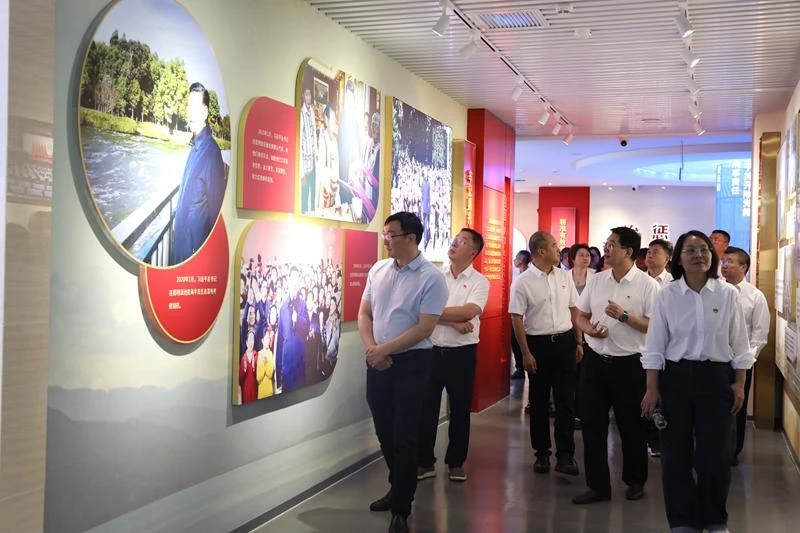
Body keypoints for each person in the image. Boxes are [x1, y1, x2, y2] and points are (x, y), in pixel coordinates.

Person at [641, 230, 753, 533]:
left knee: (716, 456)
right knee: (675, 455)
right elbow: (655, 344)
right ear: (679, 258)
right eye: (690, 250)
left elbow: (739, 342)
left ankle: (715, 519)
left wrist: (739, 383)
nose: (698, 255)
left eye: (703, 249)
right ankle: (682, 520)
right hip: (675, 379)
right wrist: (652, 388)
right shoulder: (667, 295)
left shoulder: (727, 293)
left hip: (716, 378)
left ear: (712, 255)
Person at [358, 211, 448, 533]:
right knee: (384, 431)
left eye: (391, 235)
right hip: (378, 362)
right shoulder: (378, 270)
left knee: (405, 437)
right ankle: (397, 486)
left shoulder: (431, 278)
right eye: (385, 234)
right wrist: (373, 349)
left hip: (412, 363)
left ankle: (401, 507)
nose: (386, 240)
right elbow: (365, 313)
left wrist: (384, 350)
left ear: (411, 238)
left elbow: (425, 328)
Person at [573, 227, 659, 504]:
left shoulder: (648, 285)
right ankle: (597, 486)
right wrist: (589, 330)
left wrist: (624, 317)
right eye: (606, 243)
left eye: (612, 245)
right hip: (596, 363)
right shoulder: (597, 280)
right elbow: (580, 315)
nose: (606, 249)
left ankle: (635, 481)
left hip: (630, 366)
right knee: (592, 426)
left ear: (628, 251)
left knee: (632, 427)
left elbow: (654, 326)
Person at [417, 228, 489, 483]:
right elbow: (421, 309)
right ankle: (424, 461)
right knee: (426, 409)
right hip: (432, 350)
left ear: (474, 251)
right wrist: (453, 322)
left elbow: (469, 311)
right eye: (455, 239)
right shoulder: (437, 276)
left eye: (462, 241)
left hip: (462, 354)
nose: (454, 243)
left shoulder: (480, 281)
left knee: (460, 410)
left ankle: (456, 462)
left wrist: (440, 316)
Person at [509, 231, 582, 477]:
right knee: (539, 402)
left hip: (565, 343)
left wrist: (579, 340)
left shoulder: (564, 276)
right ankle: (541, 453)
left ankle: (565, 455)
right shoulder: (523, 282)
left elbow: (573, 309)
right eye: (554, 245)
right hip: (537, 345)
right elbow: (516, 318)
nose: (558, 249)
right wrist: (525, 353)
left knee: (566, 401)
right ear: (541, 251)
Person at [721, 246, 770, 465]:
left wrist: (744, 362)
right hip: (715, 361)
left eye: (730, 262)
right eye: (723, 261)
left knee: (736, 408)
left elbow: (759, 335)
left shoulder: (755, 296)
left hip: (740, 363)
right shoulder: (715, 291)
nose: (724, 265)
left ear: (744, 267)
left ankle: (732, 451)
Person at [170, 82, 227, 265]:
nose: (191, 113)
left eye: (196, 108)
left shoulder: (211, 152)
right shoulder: (194, 147)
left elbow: (216, 211)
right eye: (189, 107)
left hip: (193, 255)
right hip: (181, 251)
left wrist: (203, 256)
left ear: (205, 113)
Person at [275, 267, 310, 394]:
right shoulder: (283, 309)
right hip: (287, 370)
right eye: (293, 279)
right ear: (289, 281)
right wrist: (279, 373)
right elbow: (280, 342)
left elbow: (307, 328)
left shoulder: (303, 304)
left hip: (300, 366)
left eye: (297, 279)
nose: (295, 282)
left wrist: (298, 319)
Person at [511, 250, 532, 380]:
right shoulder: (515, 274)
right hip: (516, 316)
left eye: (517, 258)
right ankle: (519, 368)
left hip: (526, 319)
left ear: (523, 260)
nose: (515, 260)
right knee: (515, 343)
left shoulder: (528, 277)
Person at [299, 88, 317, 214]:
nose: (308, 97)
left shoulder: (312, 112)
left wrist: (316, 152)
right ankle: (304, 214)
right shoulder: (301, 113)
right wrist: (301, 171)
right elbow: (300, 140)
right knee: (304, 195)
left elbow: (314, 133)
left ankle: (313, 214)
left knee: (313, 192)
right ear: (303, 96)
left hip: (313, 161)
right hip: (305, 164)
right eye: (306, 94)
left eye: (309, 94)